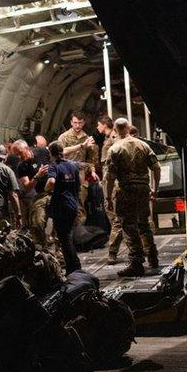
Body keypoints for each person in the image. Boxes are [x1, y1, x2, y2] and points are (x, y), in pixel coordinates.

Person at [105, 118, 162, 277]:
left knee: (129, 226)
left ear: (115, 130)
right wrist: (154, 189)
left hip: (126, 191)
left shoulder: (115, 149)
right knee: (144, 223)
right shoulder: (143, 145)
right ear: (129, 128)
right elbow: (156, 169)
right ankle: (153, 257)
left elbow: (110, 177)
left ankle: (136, 262)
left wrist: (108, 198)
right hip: (143, 190)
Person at [45, 141, 84, 273]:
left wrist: (47, 189)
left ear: (51, 153)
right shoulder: (73, 166)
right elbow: (78, 185)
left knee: (64, 238)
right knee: (68, 236)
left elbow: (51, 181)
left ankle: (73, 267)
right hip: (73, 205)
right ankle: (74, 265)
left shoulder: (53, 166)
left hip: (61, 206)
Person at [57, 113, 99, 225]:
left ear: (83, 123)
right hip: (66, 174)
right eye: (75, 122)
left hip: (81, 175)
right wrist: (81, 146)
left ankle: (79, 234)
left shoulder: (87, 138)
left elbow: (91, 159)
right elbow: (61, 152)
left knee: (80, 204)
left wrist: (93, 171)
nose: (77, 125)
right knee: (65, 203)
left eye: (80, 123)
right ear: (71, 122)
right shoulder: (64, 137)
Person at [10, 139, 51, 241]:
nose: (19, 157)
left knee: (60, 222)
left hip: (56, 190)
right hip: (42, 194)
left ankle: (59, 248)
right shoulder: (22, 167)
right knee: (37, 223)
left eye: (20, 153)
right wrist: (38, 175)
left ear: (26, 148)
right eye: (16, 155)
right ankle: (42, 247)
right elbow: (27, 186)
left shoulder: (42, 151)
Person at [97, 116, 124, 264]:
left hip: (112, 181)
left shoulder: (113, 138)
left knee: (115, 216)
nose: (97, 128)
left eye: (98, 125)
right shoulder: (109, 138)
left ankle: (113, 251)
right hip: (109, 178)